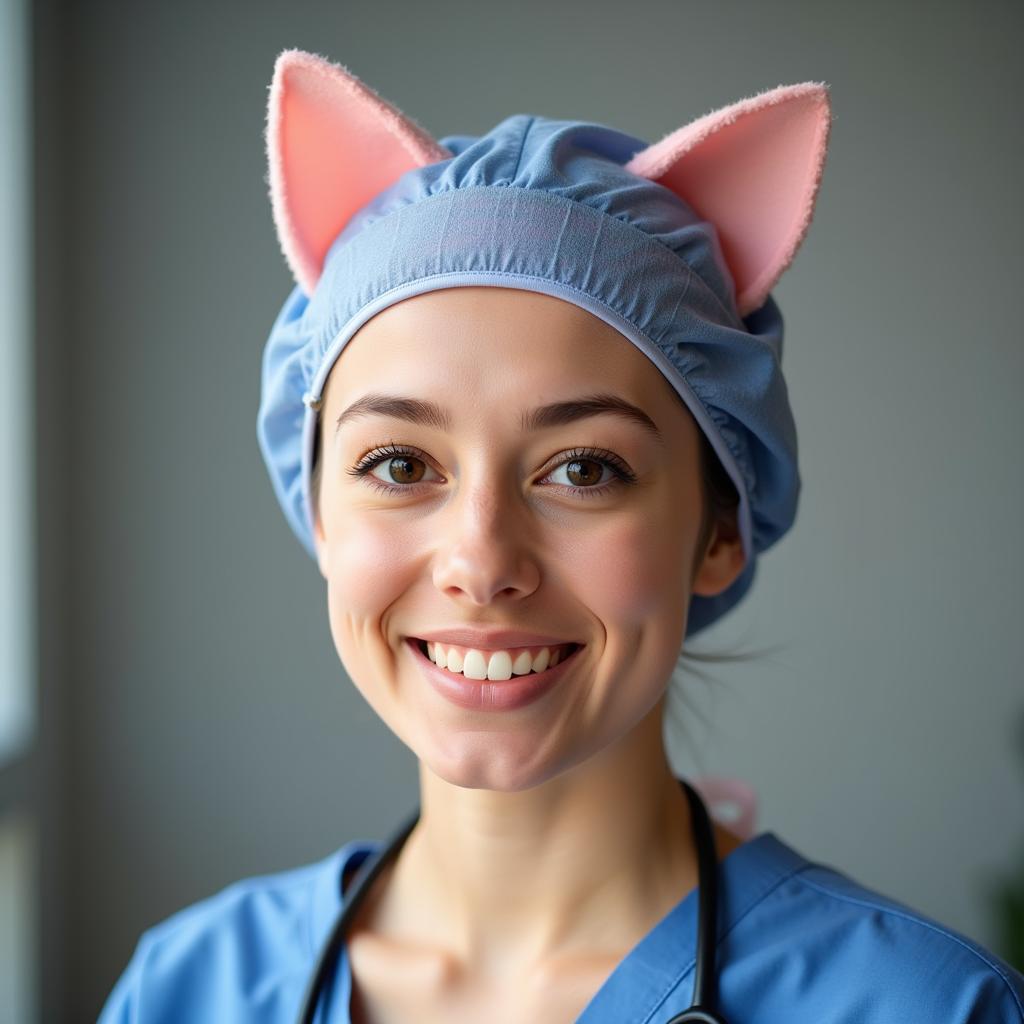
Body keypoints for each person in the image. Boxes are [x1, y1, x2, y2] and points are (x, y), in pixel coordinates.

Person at [98, 48, 1024, 1023]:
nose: (482, 562)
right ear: (320, 510)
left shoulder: (926, 1006)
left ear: (718, 527)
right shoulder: (186, 988)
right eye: (400, 465)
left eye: (583, 469)